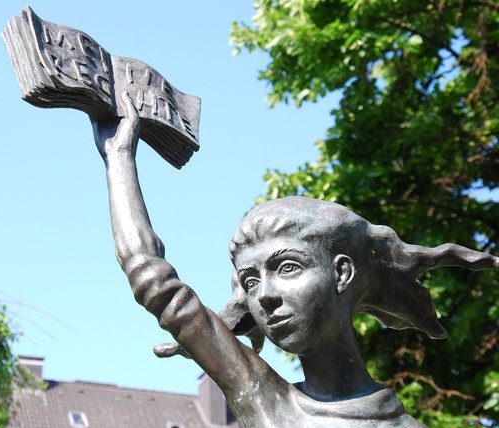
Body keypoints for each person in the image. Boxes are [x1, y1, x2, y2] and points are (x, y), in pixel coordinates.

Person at [92, 92, 499, 427]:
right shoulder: (268, 405)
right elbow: (153, 279)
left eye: (287, 268)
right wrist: (119, 158)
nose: (264, 296)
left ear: (342, 272)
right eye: (250, 282)